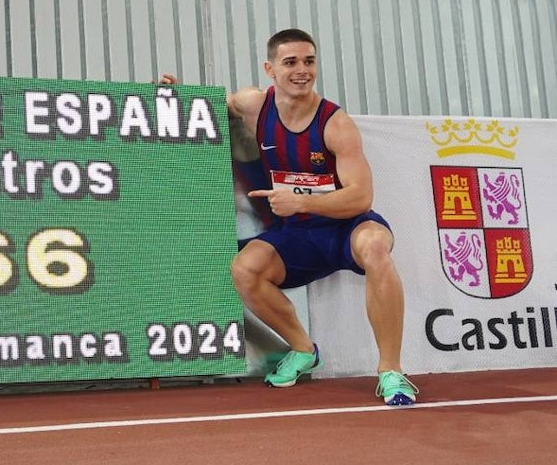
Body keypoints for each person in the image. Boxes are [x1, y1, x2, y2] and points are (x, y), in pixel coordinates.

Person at [165, 28, 418, 406]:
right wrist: (177, 92)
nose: (302, 70)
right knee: (244, 270)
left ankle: (391, 371)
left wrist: (301, 203)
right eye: (291, 62)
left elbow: (360, 196)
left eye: (309, 61)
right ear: (270, 69)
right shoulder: (254, 105)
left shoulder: (336, 123)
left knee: (377, 248)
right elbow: (212, 103)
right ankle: (302, 349)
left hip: (345, 227)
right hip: (298, 234)